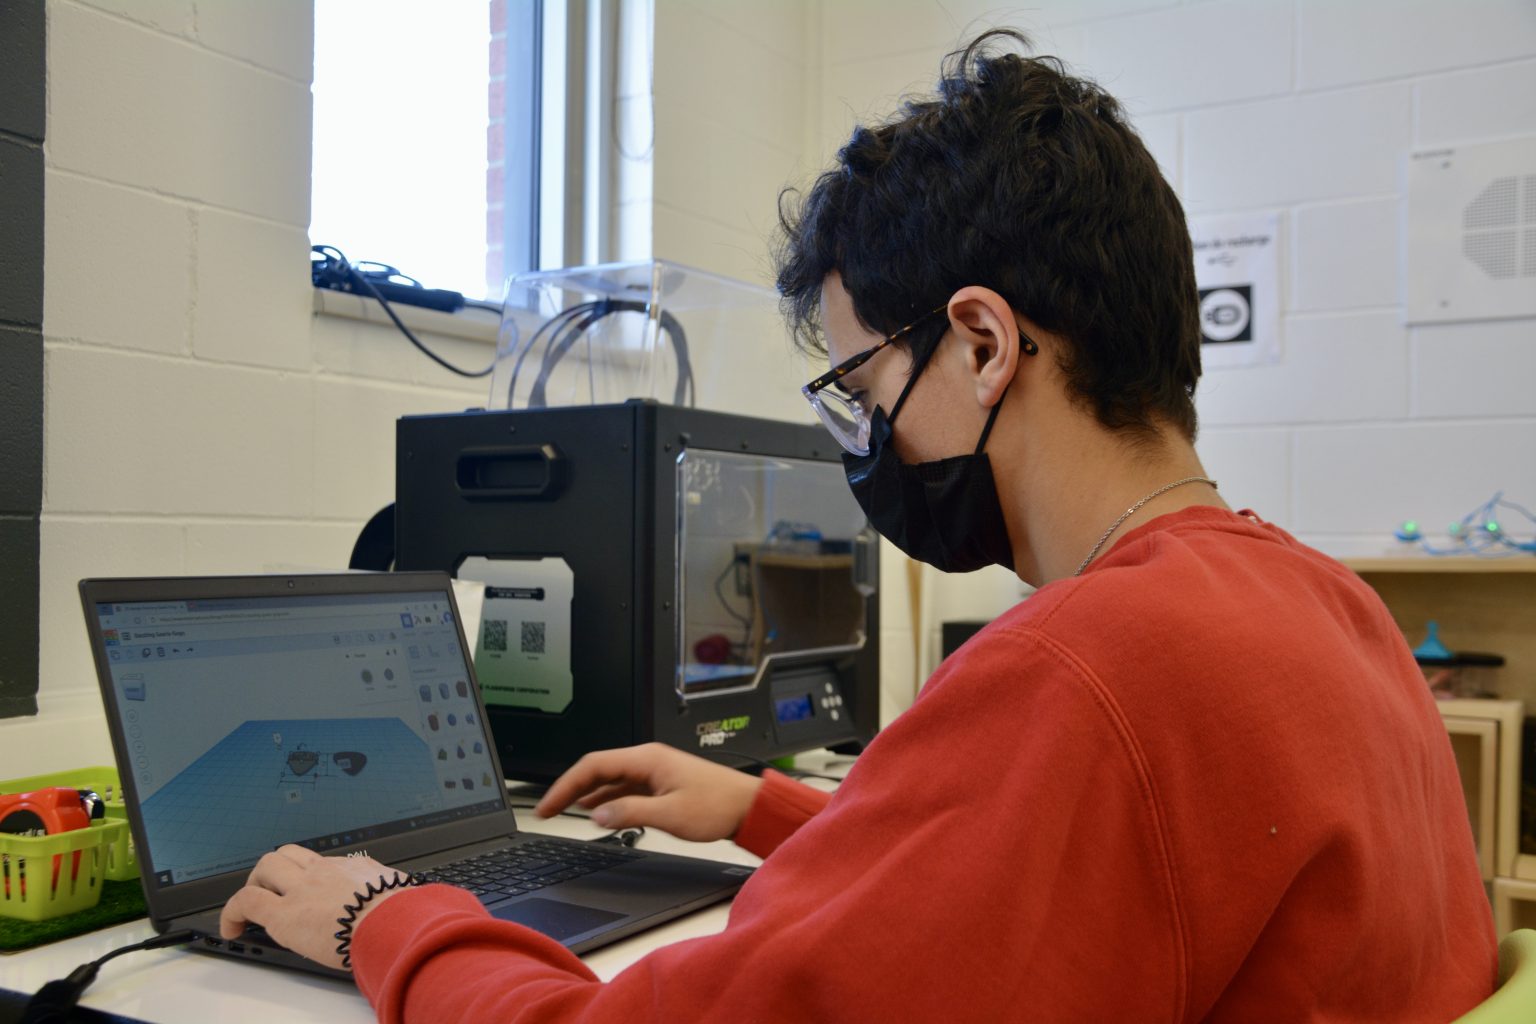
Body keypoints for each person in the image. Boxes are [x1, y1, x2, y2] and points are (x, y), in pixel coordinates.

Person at [220, 30, 1496, 1021]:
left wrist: (385, 920)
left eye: (867, 390)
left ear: (983, 343)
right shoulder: (1328, 608)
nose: (869, 441)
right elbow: (1085, 875)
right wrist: (768, 807)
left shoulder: (1082, 668)